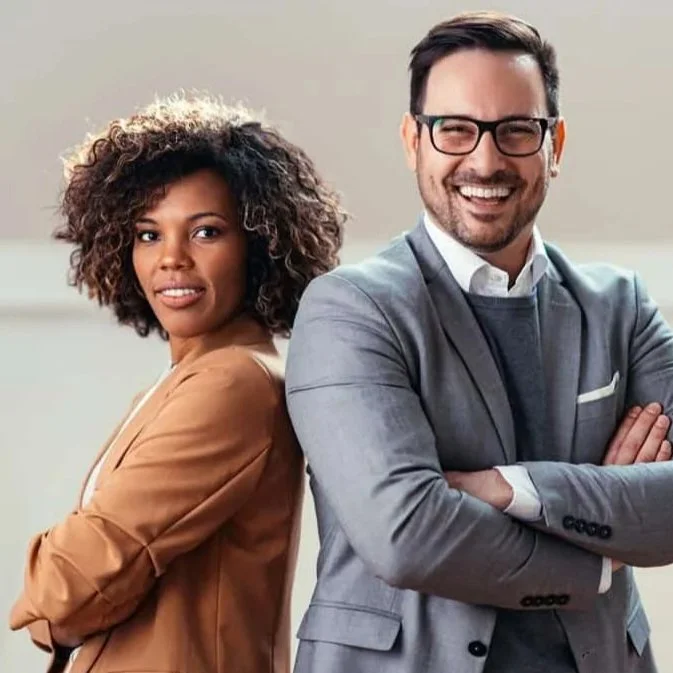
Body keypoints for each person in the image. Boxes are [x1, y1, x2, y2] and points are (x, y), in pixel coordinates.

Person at [286, 11, 673, 673]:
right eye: (454, 129)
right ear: (413, 140)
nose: (486, 160)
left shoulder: (621, 307)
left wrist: (507, 487)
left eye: (517, 130)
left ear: (554, 143)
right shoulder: (350, 309)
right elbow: (406, 534)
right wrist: (601, 551)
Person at [9, 93, 345, 673]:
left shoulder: (233, 382)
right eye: (147, 234)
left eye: (206, 232)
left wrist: (50, 591)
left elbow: (70, 585)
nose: (172, 259)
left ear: (258, 246)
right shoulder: (189, 378)